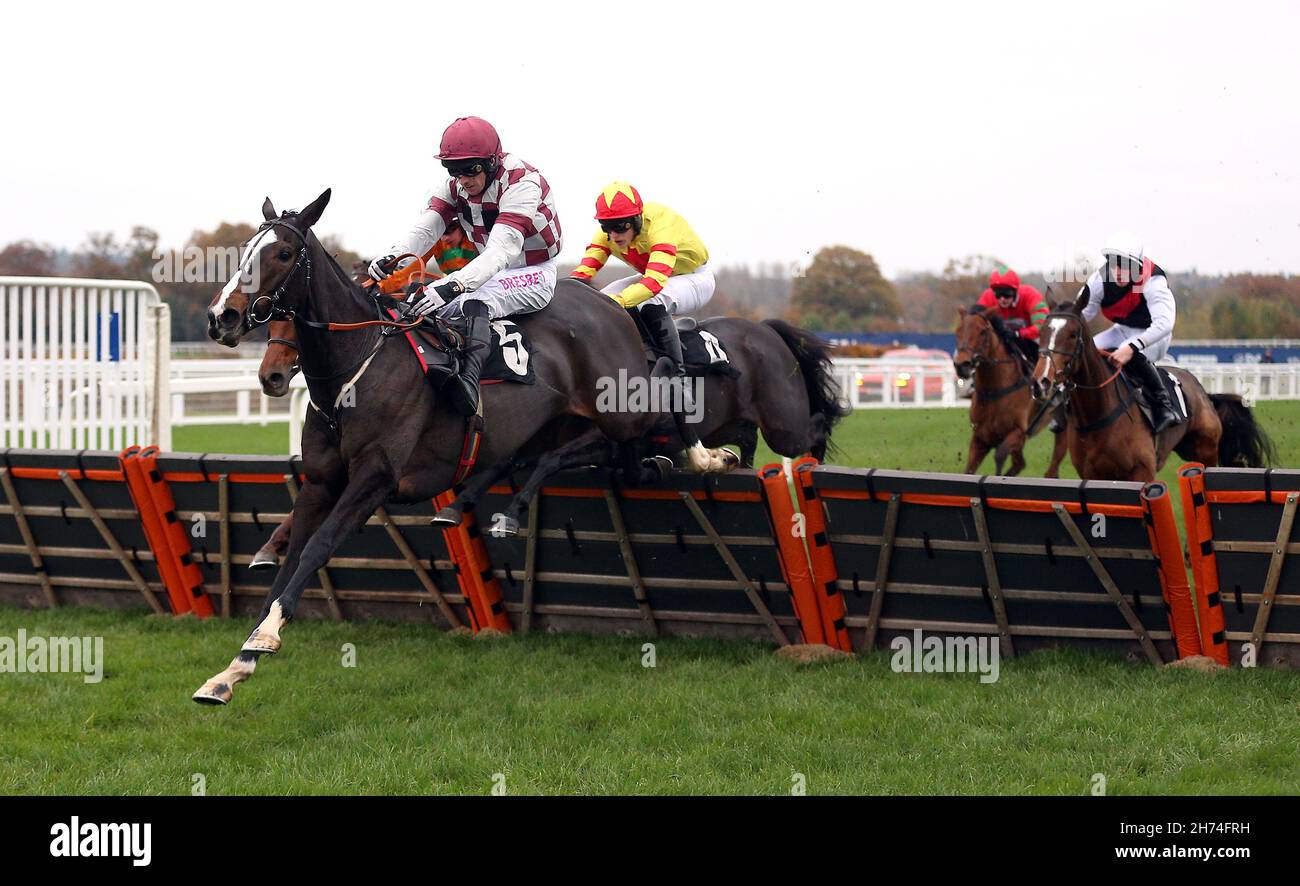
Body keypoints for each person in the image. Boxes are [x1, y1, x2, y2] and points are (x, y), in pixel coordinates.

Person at [368, 116, 561, 415]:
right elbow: (426, 229)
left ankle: (469, 383)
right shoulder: (454, 186)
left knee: (474, 299)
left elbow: (500, 251)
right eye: (454, 170)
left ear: (492, 162)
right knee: (417, 303)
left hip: (532, 271)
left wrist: (453, 285)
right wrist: (392, 256)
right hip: (493, 270)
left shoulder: (522, 182)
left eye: (471, 169)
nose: (463, 179)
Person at [569, 182, 713, 417]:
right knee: (600, 299)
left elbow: (655, 282)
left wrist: (618, 303)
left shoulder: (661, 226)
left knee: (647, 302)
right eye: (607, 227)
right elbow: (583, 274)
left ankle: (679, 380)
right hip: (659, 275)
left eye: (621, 226)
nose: (614, 235)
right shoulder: (608, 234)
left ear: (637, 219)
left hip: (694, 278)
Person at [1076, 231, 1181, 433]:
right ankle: (1068, 403)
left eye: (1125, 266)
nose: (1118, 271)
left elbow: (1165, 323)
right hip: (1122, 330)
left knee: (1128, 351)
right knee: (1086, 351)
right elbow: (1082, 313)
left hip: (1155, 336)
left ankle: (1164, 405)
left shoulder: (1153, 281)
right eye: (1114, 264)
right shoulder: (1099, 279)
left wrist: (1132, 347)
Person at [975, 267, 1047, 366]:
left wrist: (1018, 334)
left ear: (1016, 291)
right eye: (998, 294)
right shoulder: (988, 296)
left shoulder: (1031, 295)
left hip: (1028, 341)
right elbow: (974, 320)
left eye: (1007, 294)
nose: (1002, 299)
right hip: (1000, 341)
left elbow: (1041, 327)